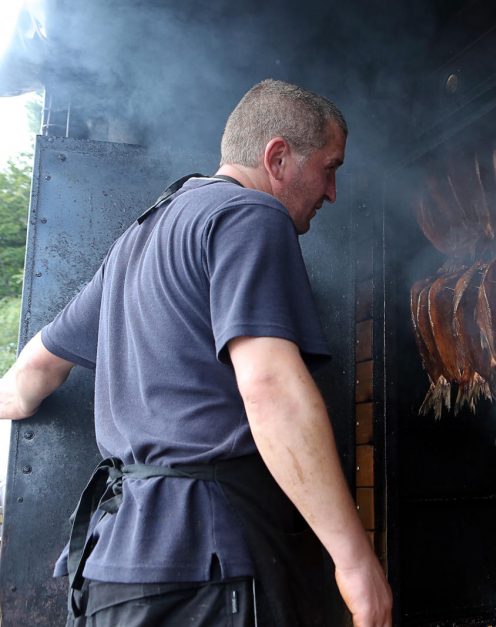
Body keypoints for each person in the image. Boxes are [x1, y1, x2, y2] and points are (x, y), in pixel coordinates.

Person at [0, 79, 392, 626]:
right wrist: (355, 564)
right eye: (330, 168)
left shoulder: (134, 244)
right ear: (276, 157)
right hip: (204, 569)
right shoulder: (251, 215)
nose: (332, 192)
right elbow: (271, 389)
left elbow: (26, 382)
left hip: (110, 573)